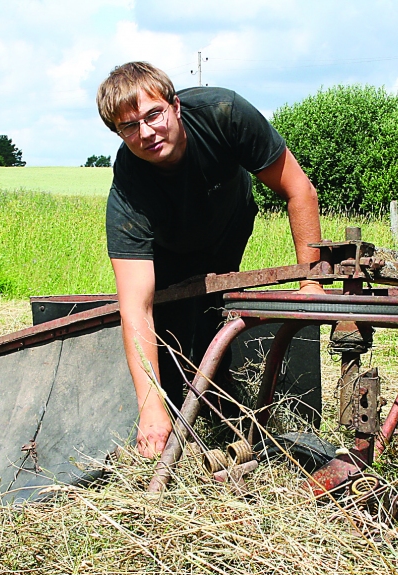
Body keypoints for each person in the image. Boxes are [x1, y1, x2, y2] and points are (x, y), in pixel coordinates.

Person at [96, 61, 323, 458]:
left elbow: (299, 189)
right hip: (167, 248)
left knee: (212, 310)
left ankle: (225, 411)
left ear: (175, 106)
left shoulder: (225, 114)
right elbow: (135, 308)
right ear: (118, 132)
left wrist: (311, 282)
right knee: (170, 334)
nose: (146, 132)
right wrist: (151, 410)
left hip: (227, 225)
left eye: (153, 115)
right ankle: (176, 419)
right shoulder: (130, 188)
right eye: (129, 126)